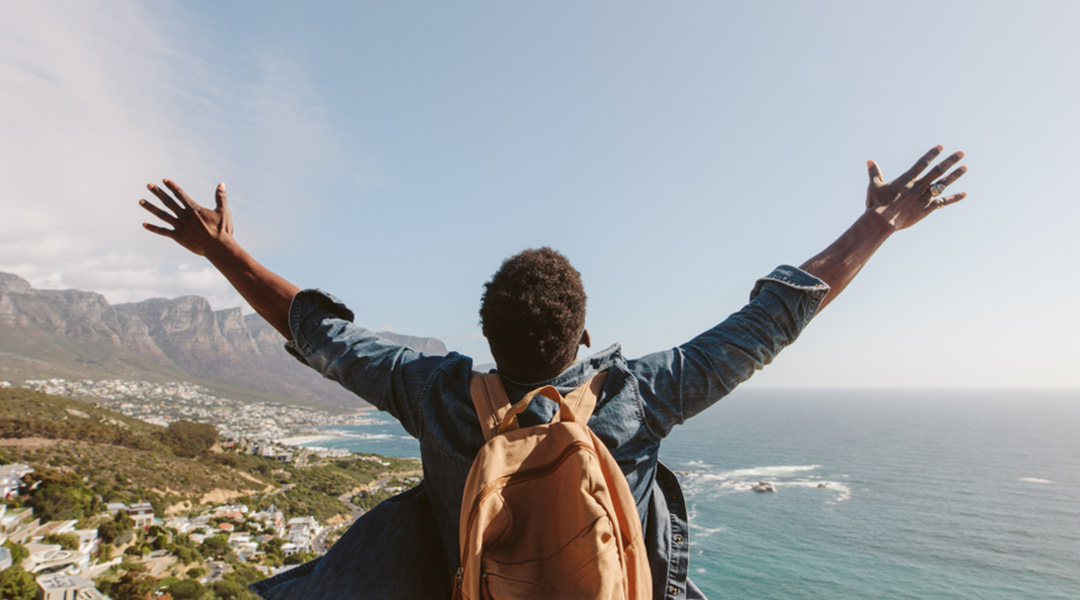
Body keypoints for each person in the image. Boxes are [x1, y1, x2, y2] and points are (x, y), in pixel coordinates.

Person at [140, 145, 967, 599]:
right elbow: (769, 321)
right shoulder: (640, 396)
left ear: (484, 336)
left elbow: (319, 334)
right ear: (585, 335)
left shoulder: (435, 395)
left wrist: (220, 249)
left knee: (398, 535)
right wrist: (876, 225)